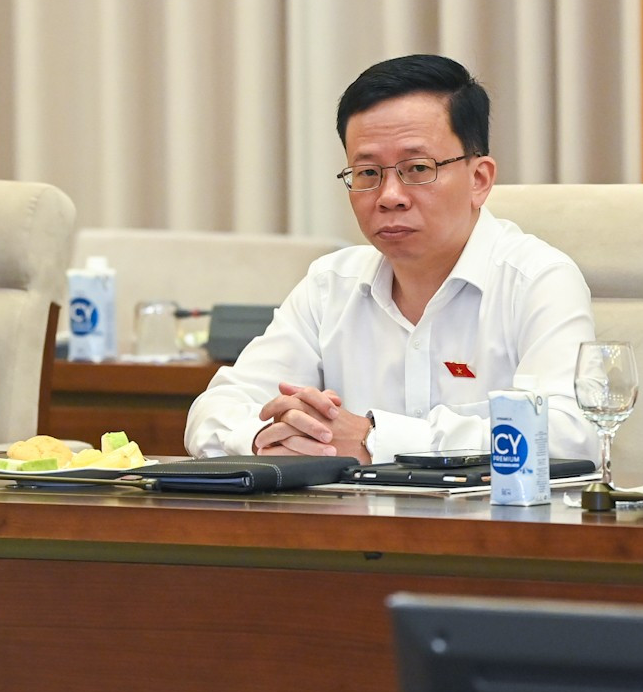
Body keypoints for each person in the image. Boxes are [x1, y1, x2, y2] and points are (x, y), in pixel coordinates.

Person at [184, 54, 597, 462]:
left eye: (417, 168)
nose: (389, 197)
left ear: (479, 179)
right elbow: (215, 410)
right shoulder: (330, 286)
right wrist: (272, 437)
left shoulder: (538, 280)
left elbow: (570, 436)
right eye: (367, 174)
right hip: (352, 526)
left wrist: (375, 439)